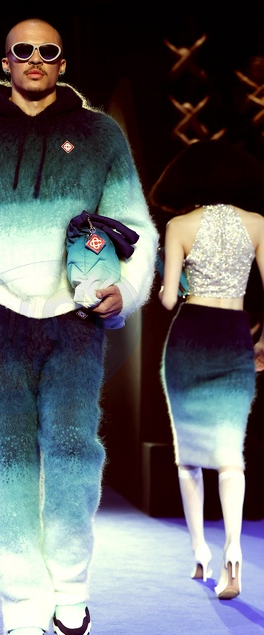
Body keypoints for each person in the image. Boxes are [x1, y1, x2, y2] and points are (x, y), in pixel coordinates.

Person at [0, 17, 158, 635]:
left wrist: (124, 291)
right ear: (6, 61)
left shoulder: (100, 135)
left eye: (49, 51)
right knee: (7, 459)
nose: (35, 59)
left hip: (76, 317)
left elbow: (134, 223)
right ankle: (22, 605)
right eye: (23, 50)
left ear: (63, 63)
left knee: (76, 455)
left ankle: (70, 589)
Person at [149, 139, 264, 600]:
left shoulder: (179, 225)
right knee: (231, 456)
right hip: (234, 336)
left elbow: (168, 300)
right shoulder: (257, 224)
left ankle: (200, 553)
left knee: (188, 456)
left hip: (190, 338)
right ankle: (233, 554)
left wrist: (166, 275)